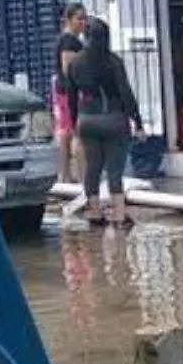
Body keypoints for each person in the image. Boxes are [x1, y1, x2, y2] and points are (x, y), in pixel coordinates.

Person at [63, 17, 145, 227]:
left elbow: (71, 98)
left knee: (93, 167)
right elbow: (126, 94)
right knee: (115, 169)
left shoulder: (75, 64)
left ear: (85, 37)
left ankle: (95, 214)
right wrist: (138, 122)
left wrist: (74, 124)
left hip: (87, 120)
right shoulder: (112, 61)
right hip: (114, 119)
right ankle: (119, 215)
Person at [54, 4, 87, 182]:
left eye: (84, 18)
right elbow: (68, 68)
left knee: (66, 131)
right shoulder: (69, 41)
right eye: (79, 18)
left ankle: (66, 175)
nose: (83, 23)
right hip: (69, 92)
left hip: (64, 90)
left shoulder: (69, 39)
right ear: (69, 20)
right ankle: (75, 176)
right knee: (73, 132)